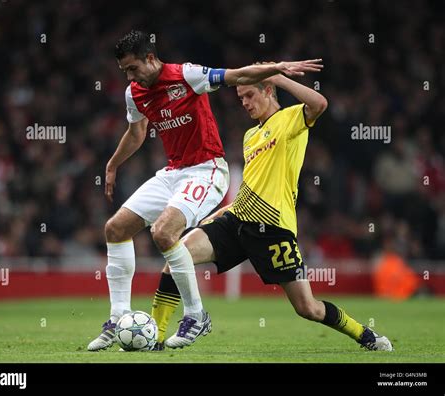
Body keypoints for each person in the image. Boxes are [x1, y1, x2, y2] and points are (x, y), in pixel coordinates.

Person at [88, 30, 323, 351]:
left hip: (207, 169)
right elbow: (136, 132)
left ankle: (196, 315)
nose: (130, 77)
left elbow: (238, 75)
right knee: (114, 229)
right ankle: (117, 318)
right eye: (125, 72)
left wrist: (277, 68)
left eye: (133, 68)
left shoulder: (186, 75)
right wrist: (113, 164)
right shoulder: (135, 93)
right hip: (173, 172)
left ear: (150, 59)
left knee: (163, 233)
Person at [155, 71, 394, 351]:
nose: (244, 103)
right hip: (237, 220)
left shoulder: (291, 118)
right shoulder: (249, 136)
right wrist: (222, 212)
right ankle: (156, 337)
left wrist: (278, 77)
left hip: (273, 229)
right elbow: (254, 185)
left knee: (308, 308)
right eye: (240, 97)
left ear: (268, 90)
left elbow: (319, 103)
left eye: (249, 95)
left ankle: (365, 335)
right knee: (176, 255)